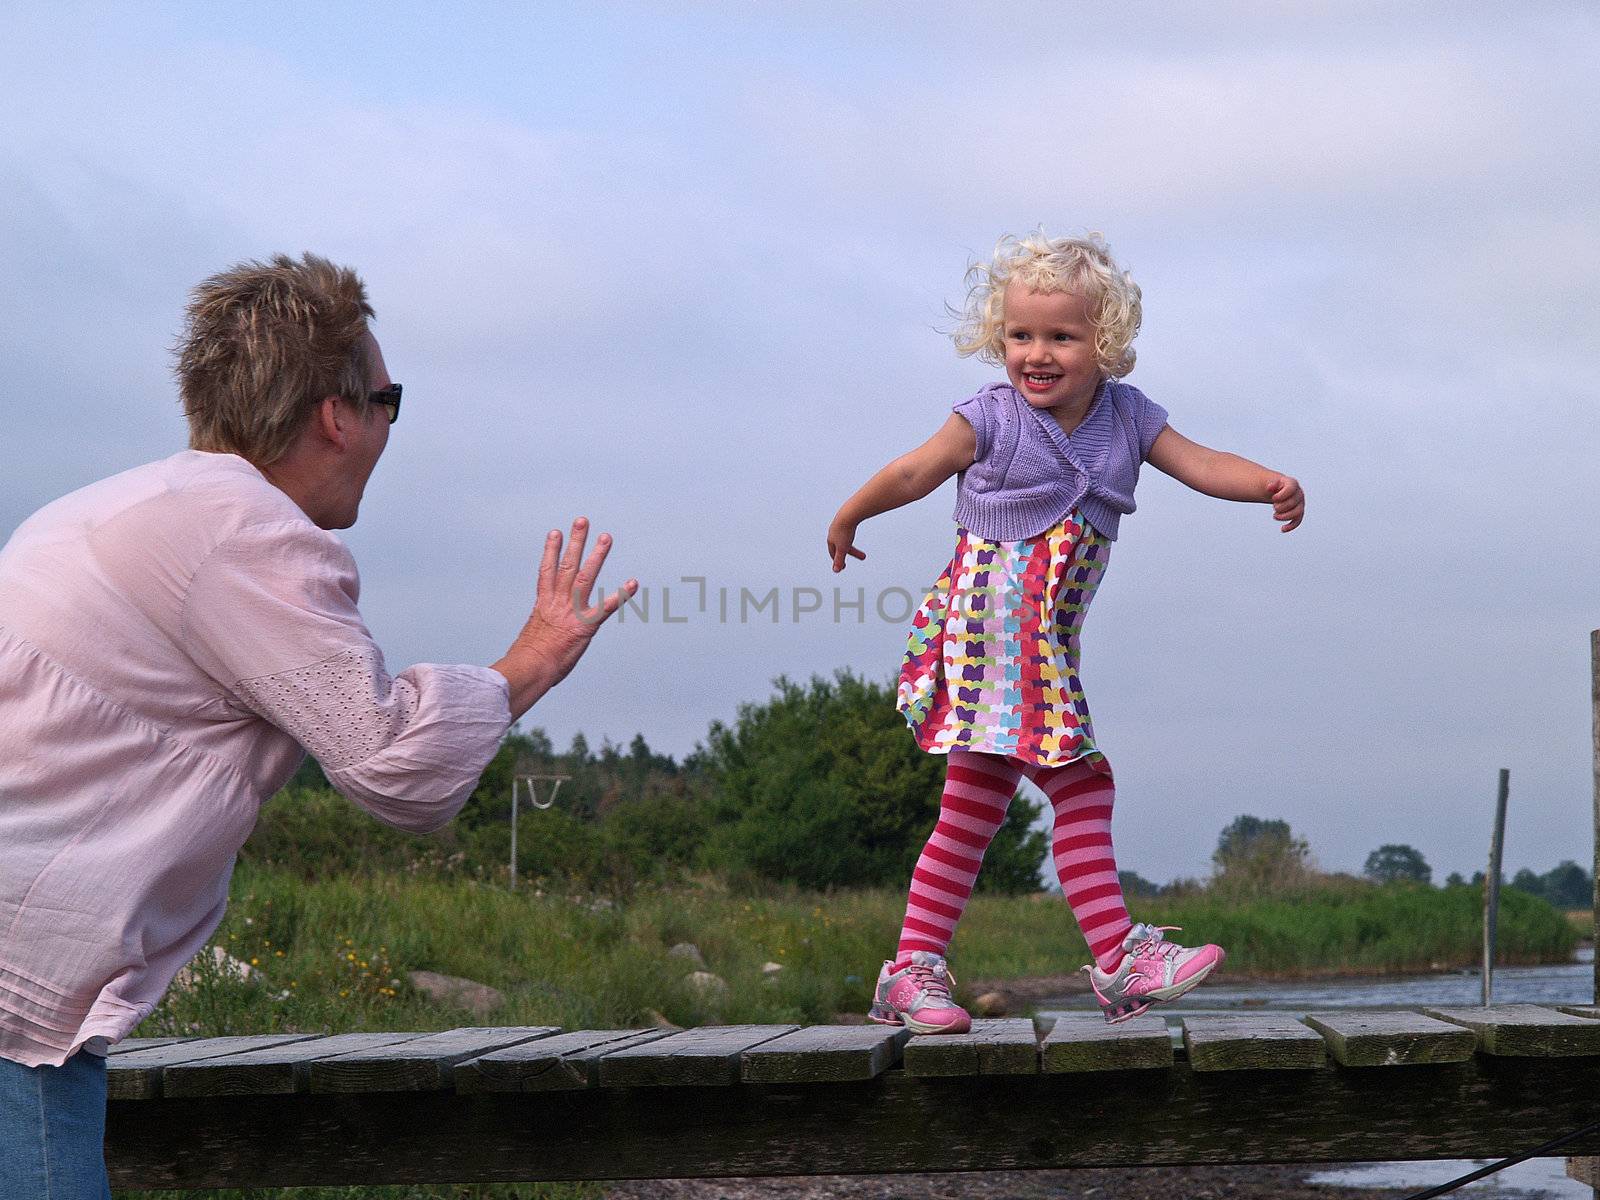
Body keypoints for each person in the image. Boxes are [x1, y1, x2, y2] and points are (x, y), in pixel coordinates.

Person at [0, 252, 637, 1197]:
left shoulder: (106, 507)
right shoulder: (244, 533)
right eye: (388, 401)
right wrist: (532, 660)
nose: (388, 427)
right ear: (337, 415)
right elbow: (393, 766)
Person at [826, 232, 1304, 1032]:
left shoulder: (1126, 418)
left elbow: (1198, 460)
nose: (1036, 354)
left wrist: (1266, 484)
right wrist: (851, 513)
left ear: (1105, 344)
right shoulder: (990, 417)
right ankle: (1120, 960)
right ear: (999, 339)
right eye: (1020, 336)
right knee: (1082, 782)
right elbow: (914, 470)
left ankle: (909, 973)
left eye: (1062, 336)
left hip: (1037, 646)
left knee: (973, 806)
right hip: (989, 633)